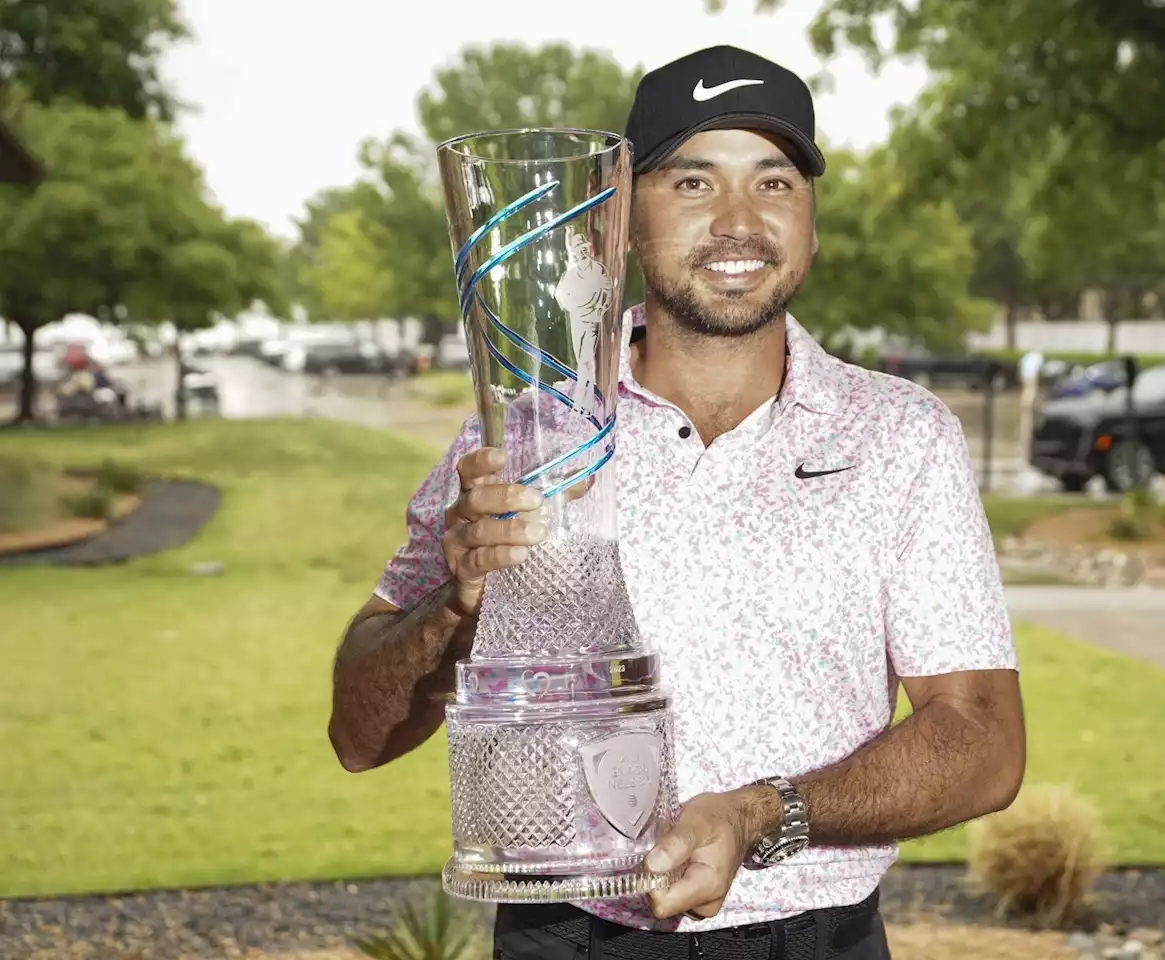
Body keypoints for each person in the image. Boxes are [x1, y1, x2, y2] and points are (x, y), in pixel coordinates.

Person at [329, 44, 1025, 960]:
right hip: (566, 935)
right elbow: (358, 735)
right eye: (693, 183)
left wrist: (763, 814)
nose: (740, 221)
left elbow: (983, 742)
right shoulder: (529, 436)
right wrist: (455, 605)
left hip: (812, 941)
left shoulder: (898, 435)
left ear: (811, 218)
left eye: (774, 183)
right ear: (618, 219)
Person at [554, 230, 612, 418]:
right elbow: (560, 295)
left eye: (583, 248)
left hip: (592, 320)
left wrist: (600, 309)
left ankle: (582, 403)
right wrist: (573, 308)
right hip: (576, 319)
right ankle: (583, 400)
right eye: (577, 250)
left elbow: (608, 291)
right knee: (581, 361)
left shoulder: (598, 270)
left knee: (586, 360)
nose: (581, 252)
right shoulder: (571, 274)